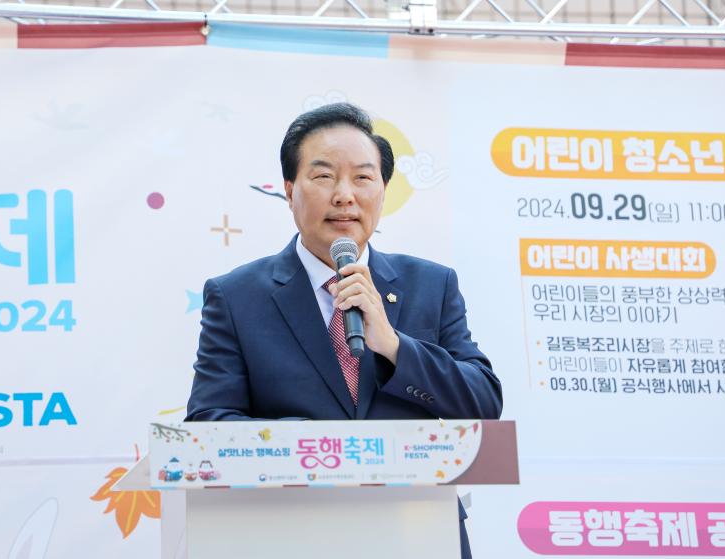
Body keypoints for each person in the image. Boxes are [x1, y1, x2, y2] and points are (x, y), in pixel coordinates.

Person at [186, 103, 503, 558]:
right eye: (323, 176)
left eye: (362, 178)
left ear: (383, 191)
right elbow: (208, 425)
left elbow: (483, 403)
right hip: (288, 535)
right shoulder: (236, 297)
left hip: (419, 532)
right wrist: (322, 448)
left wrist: (393, 346)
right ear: (289, 190)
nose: (344, 195)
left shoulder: (432, 285)